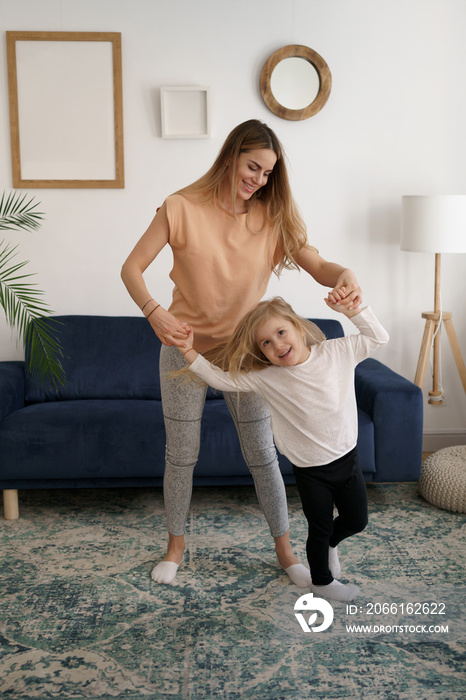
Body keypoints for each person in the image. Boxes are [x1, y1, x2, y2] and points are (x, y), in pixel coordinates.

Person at [121, 119, 363, 586]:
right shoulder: (180, 207)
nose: (259, 179)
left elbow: (317, 266)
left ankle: (286, 550)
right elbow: (132, 267)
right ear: (232, 156)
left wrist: (345, 273)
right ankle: (175, 547)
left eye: (268, 172)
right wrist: (153, 311)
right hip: (183, 353)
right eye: (253, 166)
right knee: (181, 455)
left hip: (246, 359)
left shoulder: (271, 218)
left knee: (262, 456)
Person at [177, 296, 389, 601]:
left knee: (357, 520)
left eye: (280, 333)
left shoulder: (338, 351)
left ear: (298, 327)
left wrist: (353, 311)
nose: (276, 345)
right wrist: (188, 351)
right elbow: (220, 379)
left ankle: (332, 544)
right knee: (318, 528)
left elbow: (378, 337)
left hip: (347, 460)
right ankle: (322, 582)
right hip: (309, 471)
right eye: (265, 343)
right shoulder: (267, 377)